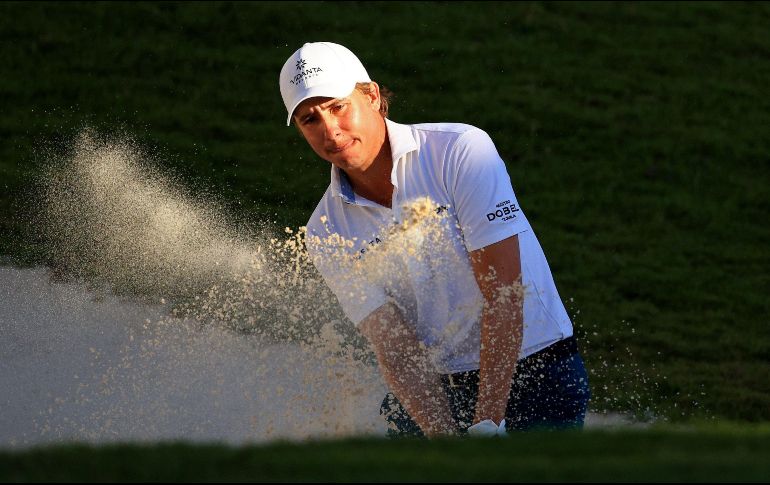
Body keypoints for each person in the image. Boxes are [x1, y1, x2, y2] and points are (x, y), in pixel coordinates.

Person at [278, 42, 590, 437]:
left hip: (536, 369)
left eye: (338, 106)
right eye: (309, 119)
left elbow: (504, 293)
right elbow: (395, 349)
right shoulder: (325, 230)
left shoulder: (460, 151)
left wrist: (489, 423)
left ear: (371, 96)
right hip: (441, 386)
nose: (330, 130)